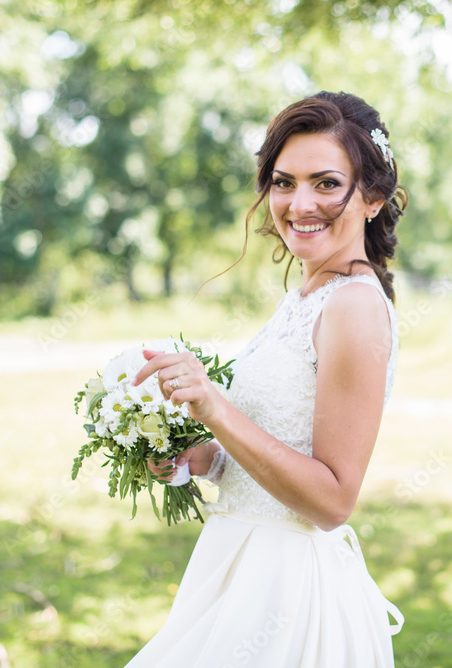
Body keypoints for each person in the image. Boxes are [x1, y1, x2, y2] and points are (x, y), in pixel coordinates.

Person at [125, 90, 407, 667]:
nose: (299, 203)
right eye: (283, 182)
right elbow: (281, 440)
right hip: (236, 564)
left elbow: (332, 500)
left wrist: (214, 408)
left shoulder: (353, 306)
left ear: (373, 197)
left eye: (326, 183)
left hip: (287, 592)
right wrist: (199, 456)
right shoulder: (308, 295)